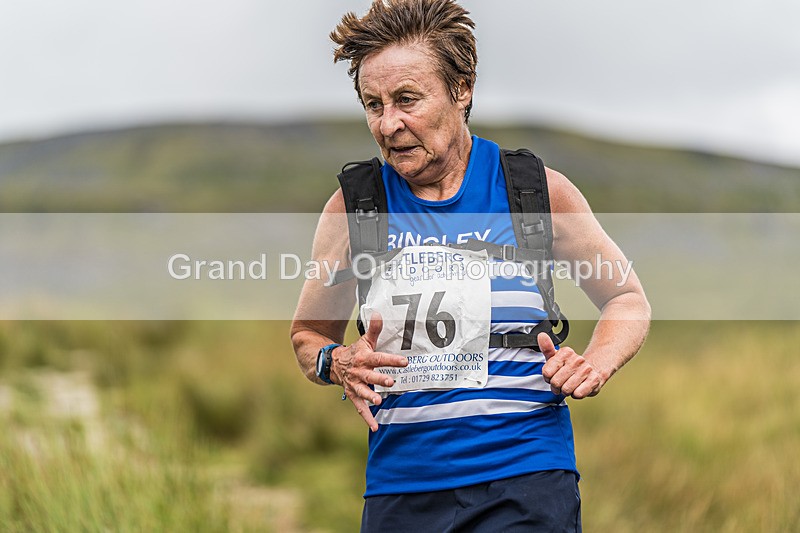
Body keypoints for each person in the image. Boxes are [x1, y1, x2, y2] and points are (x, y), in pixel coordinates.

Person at [291, 1, 651, 531]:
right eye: (374, 104)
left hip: (527, 476)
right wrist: (336, 363)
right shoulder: (356, 206)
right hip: (402, 488)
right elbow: (308, 335)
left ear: (461, 89)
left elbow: (627, 299)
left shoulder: (533, 190)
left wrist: (596, 361)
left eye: (407, 100)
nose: (389, 124)